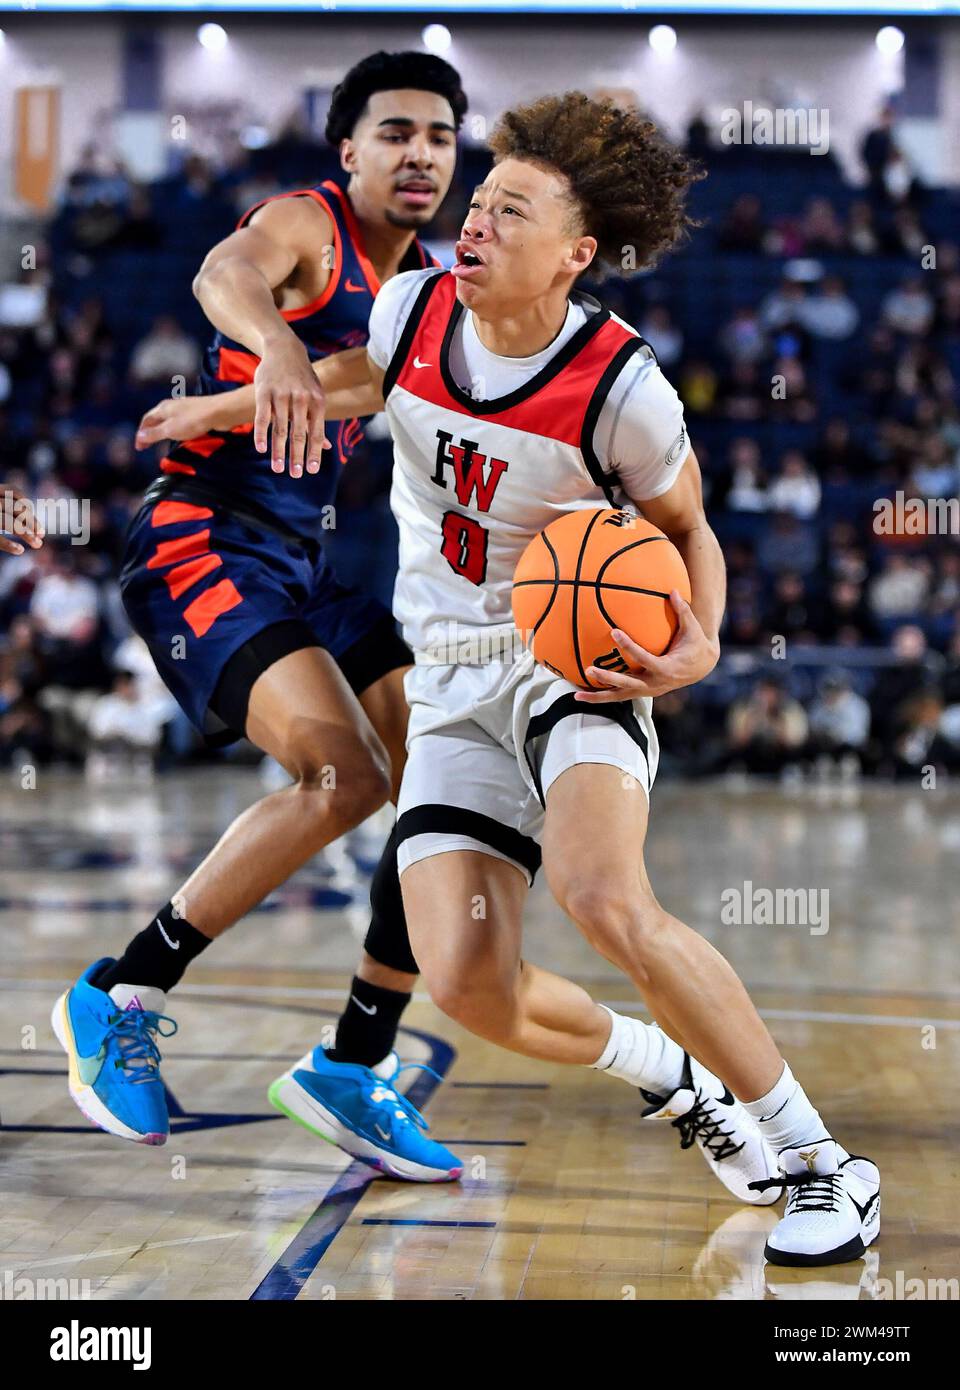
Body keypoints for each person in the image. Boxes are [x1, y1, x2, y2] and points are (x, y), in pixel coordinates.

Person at [153, 93, 881, 1267]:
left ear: (577, 252)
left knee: (602, 893)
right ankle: (675, 1074)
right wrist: (228, 404)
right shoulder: (412, 308)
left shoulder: (619, 388)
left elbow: (691, 532)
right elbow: (357, 380)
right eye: (478, 201)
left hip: (571, 662)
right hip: (448, 682)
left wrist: (699, 641)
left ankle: (822, 1163)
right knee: (468, 985)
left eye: (509, 209)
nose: (474, 221)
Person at [52, 51, 469, 1183]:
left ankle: (351, 1064)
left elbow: (367, 387)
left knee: (442, 786)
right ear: (350, 151)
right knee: (344, 777)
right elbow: (220, 274)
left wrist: (240, 394)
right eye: (395, 133)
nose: (419, 153)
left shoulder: (428, 292)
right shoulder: (305, 225)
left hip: (305, 561)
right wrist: (274, 340)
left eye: (439, 135)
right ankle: (119, 992)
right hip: (206, 536)